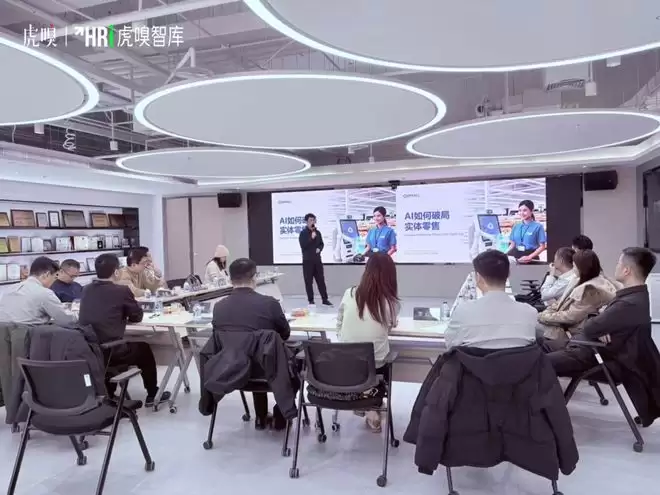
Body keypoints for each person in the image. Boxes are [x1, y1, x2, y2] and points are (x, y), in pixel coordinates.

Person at [546, 248, 660, 425]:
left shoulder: (627, 304)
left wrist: (600, 325)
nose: (616, 266)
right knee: (541, 346)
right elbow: (598, 323)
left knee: (537, 362)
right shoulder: (637, 296)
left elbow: (590, 327)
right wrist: (602, 325)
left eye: (619, 263)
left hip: (595, 356)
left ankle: (540, 417)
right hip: (590, 348)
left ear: (626, 270)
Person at [78, 253, 170, 407]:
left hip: (90, 350)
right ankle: (153, 393)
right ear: (116, 272)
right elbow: (137, 316)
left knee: (121, 346)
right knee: (144, 349)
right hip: (111, 350)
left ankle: (109, 391)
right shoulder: (121, 291)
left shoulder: (86, 290)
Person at [212, 258, 291, 430]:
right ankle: (281, 413)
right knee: (277, 357)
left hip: (231, 371)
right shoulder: (269, 303)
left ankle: (260, 417)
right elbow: (285, 334)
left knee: (251, 351)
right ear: (255, 278)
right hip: (269, 371)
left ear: (230, 280)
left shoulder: (218, 308)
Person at [336, 252, 400, 432]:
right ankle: (371, 404)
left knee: (361, 363)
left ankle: (364, 401)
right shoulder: (390, 302)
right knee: (380, 359)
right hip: (375, 367)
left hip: (345, 364)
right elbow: (388, 328)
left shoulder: (349, 293)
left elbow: (339, 323)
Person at [445, 250, 537, 350]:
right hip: (520, 361)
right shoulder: (530, 313)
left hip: (475, 361)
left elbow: (450, 345)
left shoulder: (463, 313)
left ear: (478, 277)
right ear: (508, 274)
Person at [537, 250, 616, 343]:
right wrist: (546, 313)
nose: (573, 270)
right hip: (562, 326)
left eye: (574, 266)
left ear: (582, 268)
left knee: (534, 333)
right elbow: (560, 303)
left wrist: (544, 317)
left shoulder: (590, 290)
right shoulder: (577, 280)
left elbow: (571, 317)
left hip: (569, 333)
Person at [0, 256, 76, 326]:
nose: (54, 281)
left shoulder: (10, 289)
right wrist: (77, 315)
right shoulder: (44, 293)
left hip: (5, 335)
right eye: (55, 277)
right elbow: (66, 320)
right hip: (29, 334)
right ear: (46, 274)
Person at [298, 213, 331, 306]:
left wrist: (319, 249)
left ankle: (325, 299)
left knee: (321, 280)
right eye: (310, 220)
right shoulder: (303, 233)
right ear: (306, 222)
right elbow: (303, 245)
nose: (312, 222)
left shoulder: (318, 232)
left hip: (317, 261)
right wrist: (311, 238)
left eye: (313, 220)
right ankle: (311, 300)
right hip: (307, 261)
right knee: (308, 281)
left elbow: (321, 244)